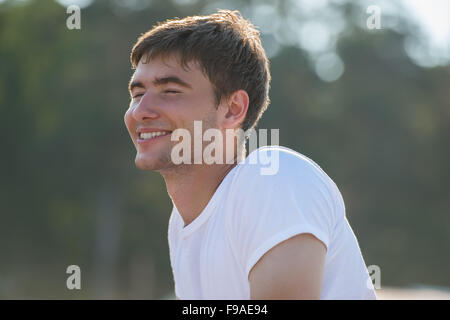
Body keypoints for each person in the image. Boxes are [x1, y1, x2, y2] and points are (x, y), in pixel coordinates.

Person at [124, 9, 376, 300]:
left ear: (233, 109)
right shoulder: (181, 225)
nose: (140, 112)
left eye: (170, 90)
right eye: (138, 94)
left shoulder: (273, 176)